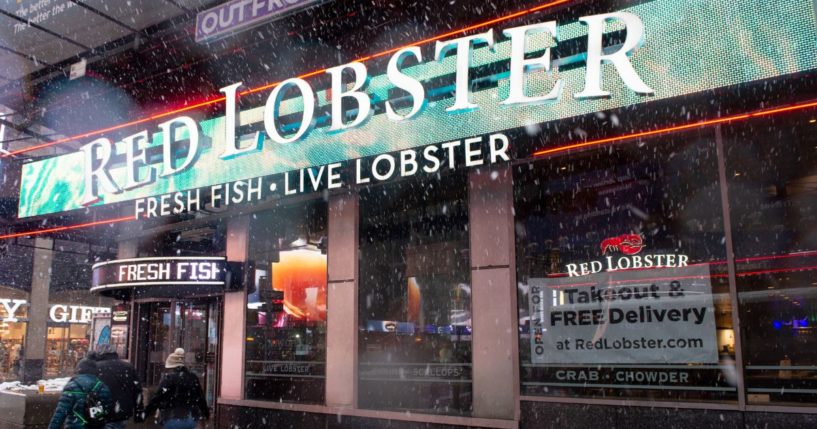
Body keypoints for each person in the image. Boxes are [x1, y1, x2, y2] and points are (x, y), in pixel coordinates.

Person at [144, 348, 209, 429]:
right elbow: (200, 398)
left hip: (171, 417)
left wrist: (145, 413)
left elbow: (157, 398)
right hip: (190, 418)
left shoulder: (168, 379)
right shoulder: (193, 377)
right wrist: (206, 414)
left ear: (172, 367)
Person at [48, 359, 113, 429]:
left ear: (79, 370)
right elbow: (107, 411)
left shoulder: (71, 387)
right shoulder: (103, 387)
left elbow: (60, 414)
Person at [90, 345, 143, 429]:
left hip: (100, 411)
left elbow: (89, 389)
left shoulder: (95, 367)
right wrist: (139, 412)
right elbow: (137, 390)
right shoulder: (128, 367)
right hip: (122, 412)